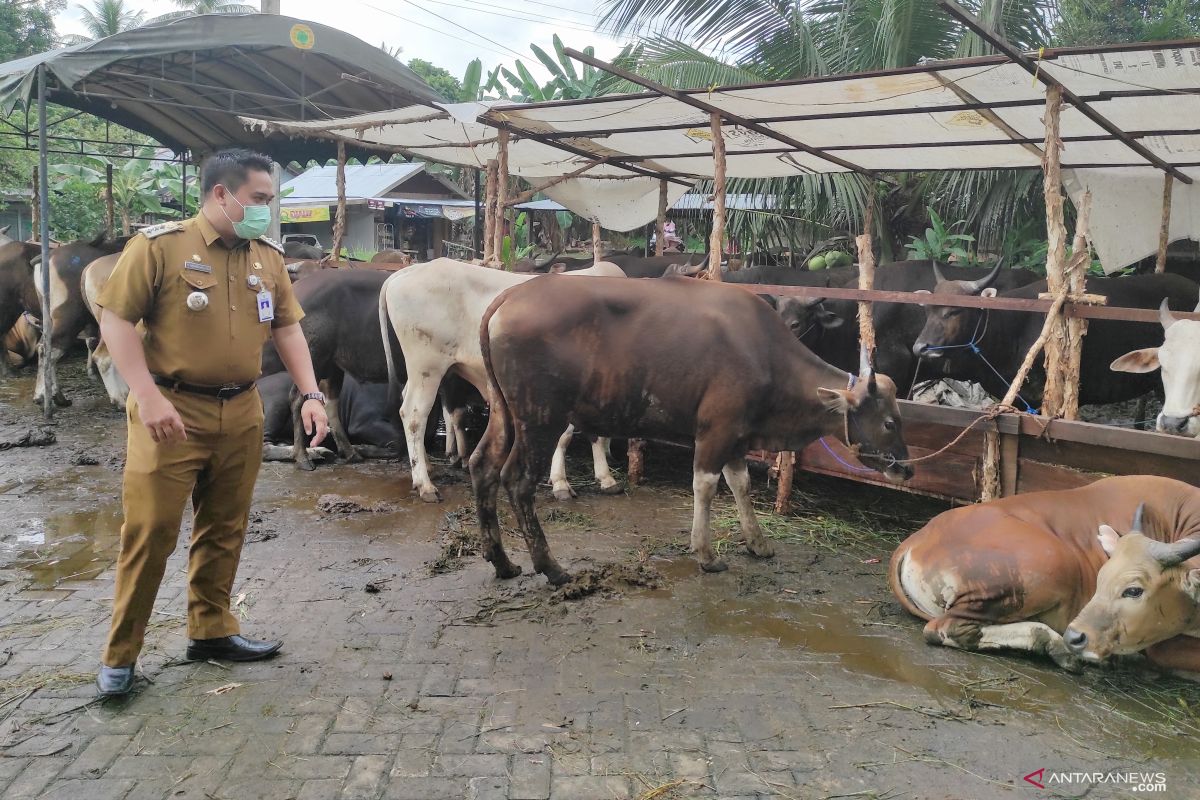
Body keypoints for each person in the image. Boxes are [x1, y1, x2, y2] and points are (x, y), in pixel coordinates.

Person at [94, 149, 329, 697]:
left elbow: (288, 330)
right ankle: (121, 656)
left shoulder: (265, 258)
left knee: (225, 527)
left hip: (241, 410)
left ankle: (211, 630)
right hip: (171, 411)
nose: (266, 213)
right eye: (259, 200)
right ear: (221, 195)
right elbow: (116, 319)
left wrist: (312, 393)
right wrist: (146, 396)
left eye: (269, 202)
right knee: (151, 532)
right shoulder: (159, 247)